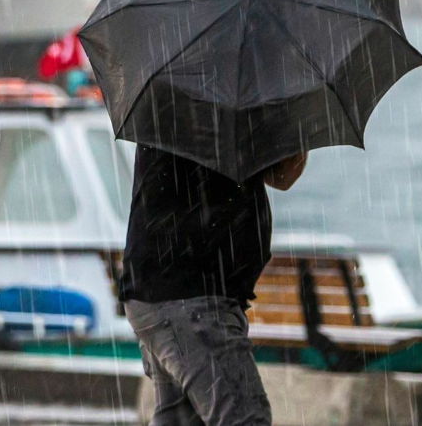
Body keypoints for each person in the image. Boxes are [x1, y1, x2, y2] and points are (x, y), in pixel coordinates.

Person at [120, 147, 308, 426]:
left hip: (167, 292)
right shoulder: (209, 111)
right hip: (190, 297)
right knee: (244, 418)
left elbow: (281, 175)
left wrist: (294, 130)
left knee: (182, 419)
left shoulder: (197, 112)